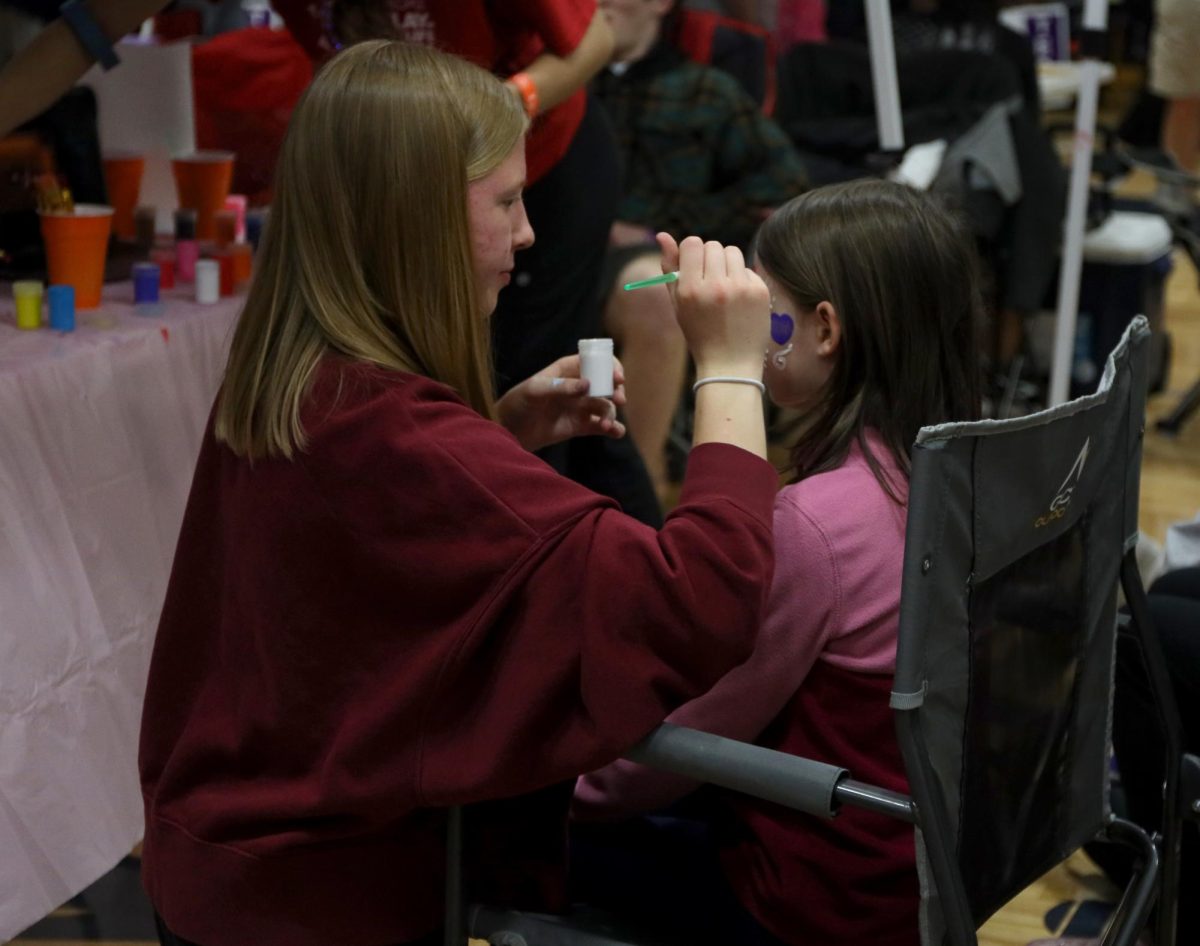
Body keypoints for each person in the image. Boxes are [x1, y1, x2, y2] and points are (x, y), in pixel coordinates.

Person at [139, 39, 779, 946]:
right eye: (508, 202)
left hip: (223, 873)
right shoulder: (402, 436)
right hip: (315, 908)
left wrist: (499, 434)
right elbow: (704, 599)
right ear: (418, 219)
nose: (529, 234)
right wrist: (729, 370)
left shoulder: (301, 374)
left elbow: (365, 556)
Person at [572, 179, 984, 946]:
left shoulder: (818, 527)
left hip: (808, 901)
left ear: (822, 329)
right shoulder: (960, 470)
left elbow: (697, 726)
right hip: (916, 869)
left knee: (531, 839)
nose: (752, 326)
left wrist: (562, 791)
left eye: (766, 309)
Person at [593, 0, 808, 500]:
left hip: (657, 257)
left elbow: (781, 187)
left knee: (651, 295)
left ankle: (642, 491)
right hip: (559, 249)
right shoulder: (569, 87)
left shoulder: (706, 91)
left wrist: (662, 228)